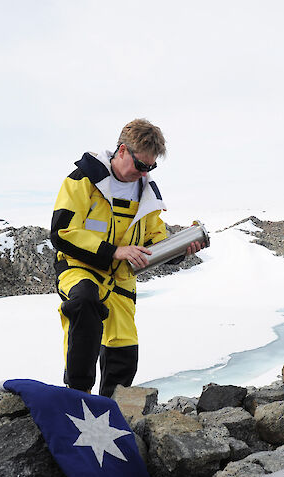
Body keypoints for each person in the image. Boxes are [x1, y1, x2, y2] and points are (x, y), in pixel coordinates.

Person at [50, 119, 203, 397]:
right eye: (141, 165)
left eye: (151, 167)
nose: (144, 173)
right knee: (85, 304)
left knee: (124, 350)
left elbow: (154, 240)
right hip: (78, 269)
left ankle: (112, 413)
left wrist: (180, 251)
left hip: (121, 280)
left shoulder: (147, 194)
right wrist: (114, 251)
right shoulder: (82, 181)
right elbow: (62, 232)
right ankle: (77, 396)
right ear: (122, 151)